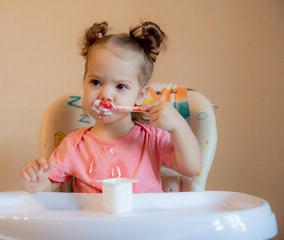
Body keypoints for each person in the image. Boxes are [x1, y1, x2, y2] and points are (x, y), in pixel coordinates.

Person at [19, 21, 202, 193]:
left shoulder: (151, 138)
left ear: (140, 96)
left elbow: (192, 168)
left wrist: (178, 125)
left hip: (145, 226)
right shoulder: (74, 145)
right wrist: (38, 182)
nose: (105, 94)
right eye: (96, 82)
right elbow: (50, 185)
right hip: (94, 226)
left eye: (121, 86)